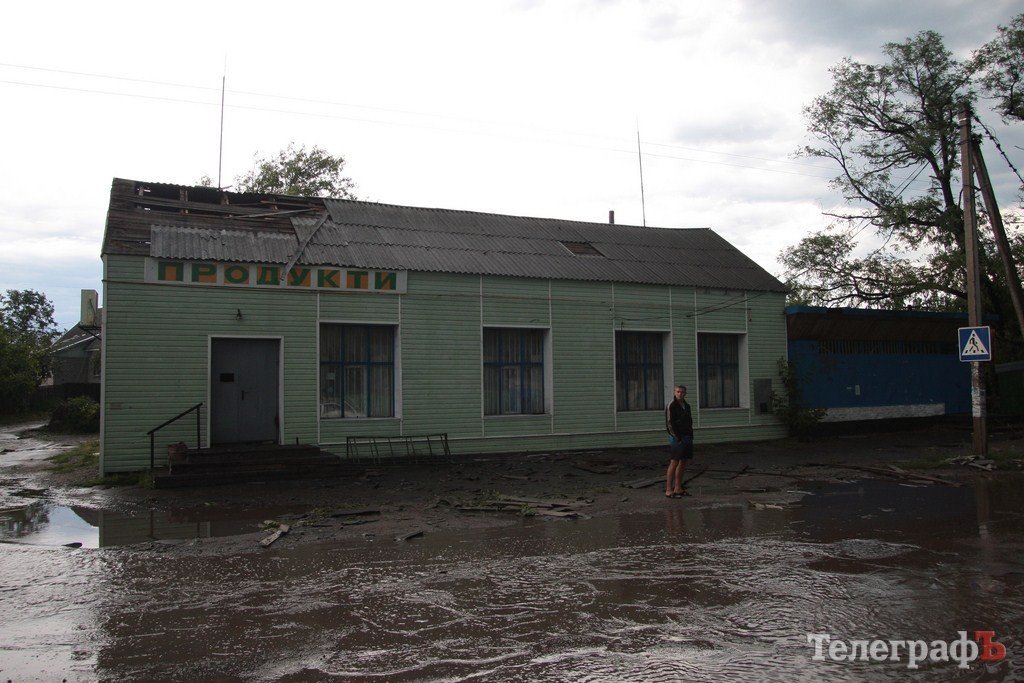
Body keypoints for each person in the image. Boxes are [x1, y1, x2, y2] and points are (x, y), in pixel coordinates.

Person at [665, 384, 694, 498]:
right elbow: (670, 424)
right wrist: (677, 437)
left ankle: (678, 488)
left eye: (682, 392)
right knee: (674, 462)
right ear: (674, 392)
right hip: (677, 438)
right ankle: (668, 489)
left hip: (687, 437)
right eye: (678, 392)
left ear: (685, 393)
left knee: (683, 462)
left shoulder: (687, 406)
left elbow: (689, 421)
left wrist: (690, 435)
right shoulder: (671, 405)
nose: (680, 394)